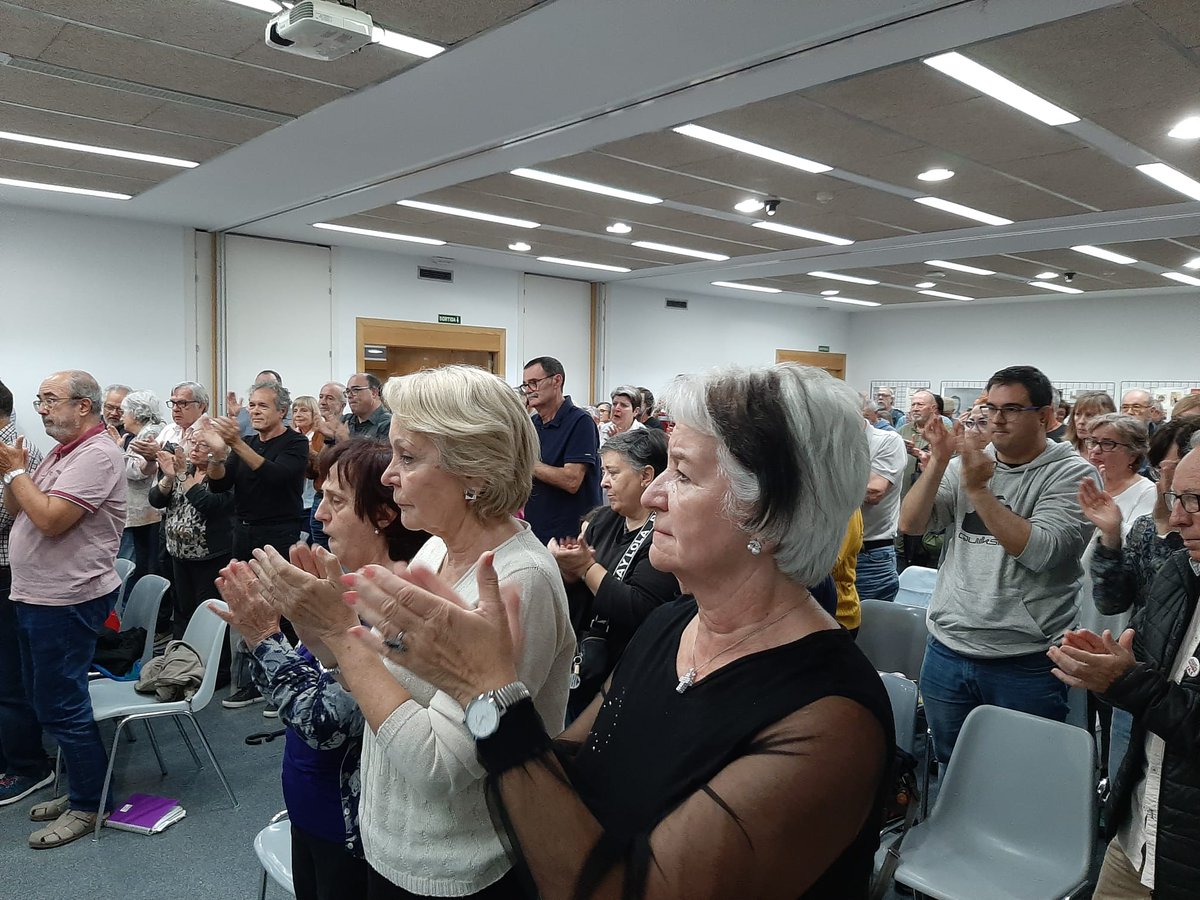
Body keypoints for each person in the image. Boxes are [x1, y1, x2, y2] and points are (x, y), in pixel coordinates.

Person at [343, 362, 893, 899]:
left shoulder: (829, 718)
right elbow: (567, 765)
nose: (653, 496)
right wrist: (458, 691)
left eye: (683, 472)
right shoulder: (675, 623)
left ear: (769, 513)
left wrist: (484, 694)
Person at [249, 364, 574, 899]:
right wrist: (325, 638)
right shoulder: (437, 546)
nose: (389, 475)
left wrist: (343, 636)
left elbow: (438, 766)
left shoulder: (518, 582)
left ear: (475, 470)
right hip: (394, 845)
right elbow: (383, 683)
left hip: (458, 869)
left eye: (408, 457)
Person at [213, 439, 429, 900]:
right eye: (321, 497)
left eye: (336, 502)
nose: (319, 515)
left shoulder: (396, 602)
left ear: (384, 515)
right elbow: (323, 673)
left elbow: (323, 722)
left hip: (347, 828)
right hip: (312, 810)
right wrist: (302, 632)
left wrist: (265, 637)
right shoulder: (349, 585)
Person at [900, 364, 1096, 763]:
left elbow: (1040, 552)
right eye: (991, 407)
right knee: (950, 767)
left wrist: (978, 489)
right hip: (949, 647)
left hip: (1024, 658)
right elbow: (911, 523)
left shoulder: (1073, 473)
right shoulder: (968, 463)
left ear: (1045, 416)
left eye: (1011, 409)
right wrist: (939, 461)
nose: (997, 419)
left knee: (1022, 772)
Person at [1050, 444, 1200, 900]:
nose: (1178, 519)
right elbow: (1143, 666)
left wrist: (1127, 682)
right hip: (1140, 831)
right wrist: (1105, 667)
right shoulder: (1180, 571)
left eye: (1196, 501)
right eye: (1176, 499)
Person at [0, 370, 126, 847]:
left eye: (51, 399)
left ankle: (90, 805)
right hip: (38, 594)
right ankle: (77, 785)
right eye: (39, 400)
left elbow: (51, 521)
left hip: (67, 598)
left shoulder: (97, 455)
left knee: (63, 704)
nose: (41, 408)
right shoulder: (61, 451)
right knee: (42, 698)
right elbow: (19, 512)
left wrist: (14, 472)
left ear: (84, 405)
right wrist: (12, 474)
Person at [1085, 419, 1200, 782]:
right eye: (1166, 473)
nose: (1181, 512)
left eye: (1193, 496)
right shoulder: (1148, 529)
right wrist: (1110, 537)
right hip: (1141, 694)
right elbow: (1111, 600)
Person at [548, 427, 680, 716]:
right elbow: (582, 595)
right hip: (586, 659)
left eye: (613, 473)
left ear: (646, 476)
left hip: (629, 671)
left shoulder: (665, 531)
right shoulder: (605, 520)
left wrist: (586, 567)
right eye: (604, 473)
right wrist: (569, 572)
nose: (604, 483)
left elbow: (639, 608)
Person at [203, 379, 310, 707]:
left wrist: (236, 444)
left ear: (282, 411)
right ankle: (253, 680)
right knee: (247, 605)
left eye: (263, 405)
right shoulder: (245, 442)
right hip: (244, 532)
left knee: (281, 606)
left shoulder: (295, 443)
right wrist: (219, 456)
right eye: (252, 405)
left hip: (278, 533)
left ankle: (291, 679)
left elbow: (276, 476)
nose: (255, 410)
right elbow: (219, 487)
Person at [1074, 413, 1155, 783]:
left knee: (1112, 710)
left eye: (1108, 444)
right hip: (1076, 610)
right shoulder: (1081, 486)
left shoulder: (1147, 495)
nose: (1096, 451)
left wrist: (1111, 528)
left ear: (1134, 453)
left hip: (1116, 619)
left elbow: (1135, 562)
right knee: (1078, 713)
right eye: (1092, 442)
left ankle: (1110, 783)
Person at [0, 379, 49, 807]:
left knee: (10, 679)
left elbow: (12, 516)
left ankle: (27, 766)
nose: (44, 409)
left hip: (8, 576)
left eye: (50, 400)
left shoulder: (15, 451)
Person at [148, 430, 235, 641]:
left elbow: (208, 504)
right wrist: (168, 478)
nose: (194, 449)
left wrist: (182, 476)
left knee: (208, 615)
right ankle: (181, 661)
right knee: (182, 613)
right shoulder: (183, 469)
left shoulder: (223, 477)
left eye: (203, 445)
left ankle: (213, 669)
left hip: (209, 558)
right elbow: (156, 500)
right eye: (193, 443)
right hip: (178, 556)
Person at [521, 356, 601, 545]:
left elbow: (571, 480)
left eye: (534, 383)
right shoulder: (533, 423)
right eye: (525, 385)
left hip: (569, 535)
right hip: (537, 528)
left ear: (557, 381)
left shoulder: (581, 422)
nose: (529, 391)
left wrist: (528, 464)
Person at [857, 395, 906, 602]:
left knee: (865, 631)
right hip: (827, 555)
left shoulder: (887, 440)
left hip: (869, 557)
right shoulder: (827, 443)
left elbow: (874, 492)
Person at [117, 390, 166, 592]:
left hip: (144, 512)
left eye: (124, 412)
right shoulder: (148, 432)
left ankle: (130, 613)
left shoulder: (149, 434)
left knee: (136, 566)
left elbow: (137, 471)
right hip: (144, 512)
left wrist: (117, 452)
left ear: (136, 414)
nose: (121, 417)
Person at [310, 382, 347, 549]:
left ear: (342, 404)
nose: (323, 402)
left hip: (341, 500)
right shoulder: (317, 431)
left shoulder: (348, 427)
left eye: (330, 398)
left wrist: (333, 438)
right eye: (321, 397)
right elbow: (317, 470)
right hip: (319, 497)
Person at [292, 395, 323, 533]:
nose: (298, 414)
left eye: (303, 410)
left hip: (312, 501)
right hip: (294, 501)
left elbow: (321, 467)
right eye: (295, 410)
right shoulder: (291, 436)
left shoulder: (320, 436)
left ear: (314, 414)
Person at [336, 374, 391, 443]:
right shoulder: (346, 421)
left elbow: (379, 453)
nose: (349, 395)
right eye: (347, 391)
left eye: (355, 390)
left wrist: (346, 442)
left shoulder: (388, 424)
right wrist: (328, 439)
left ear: (374, 393)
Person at [1065, 390, 1117, 454]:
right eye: (1078, 414)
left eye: (1089, 415)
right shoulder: (1065, 450)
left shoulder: (1115, 452)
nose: (1081, 421)